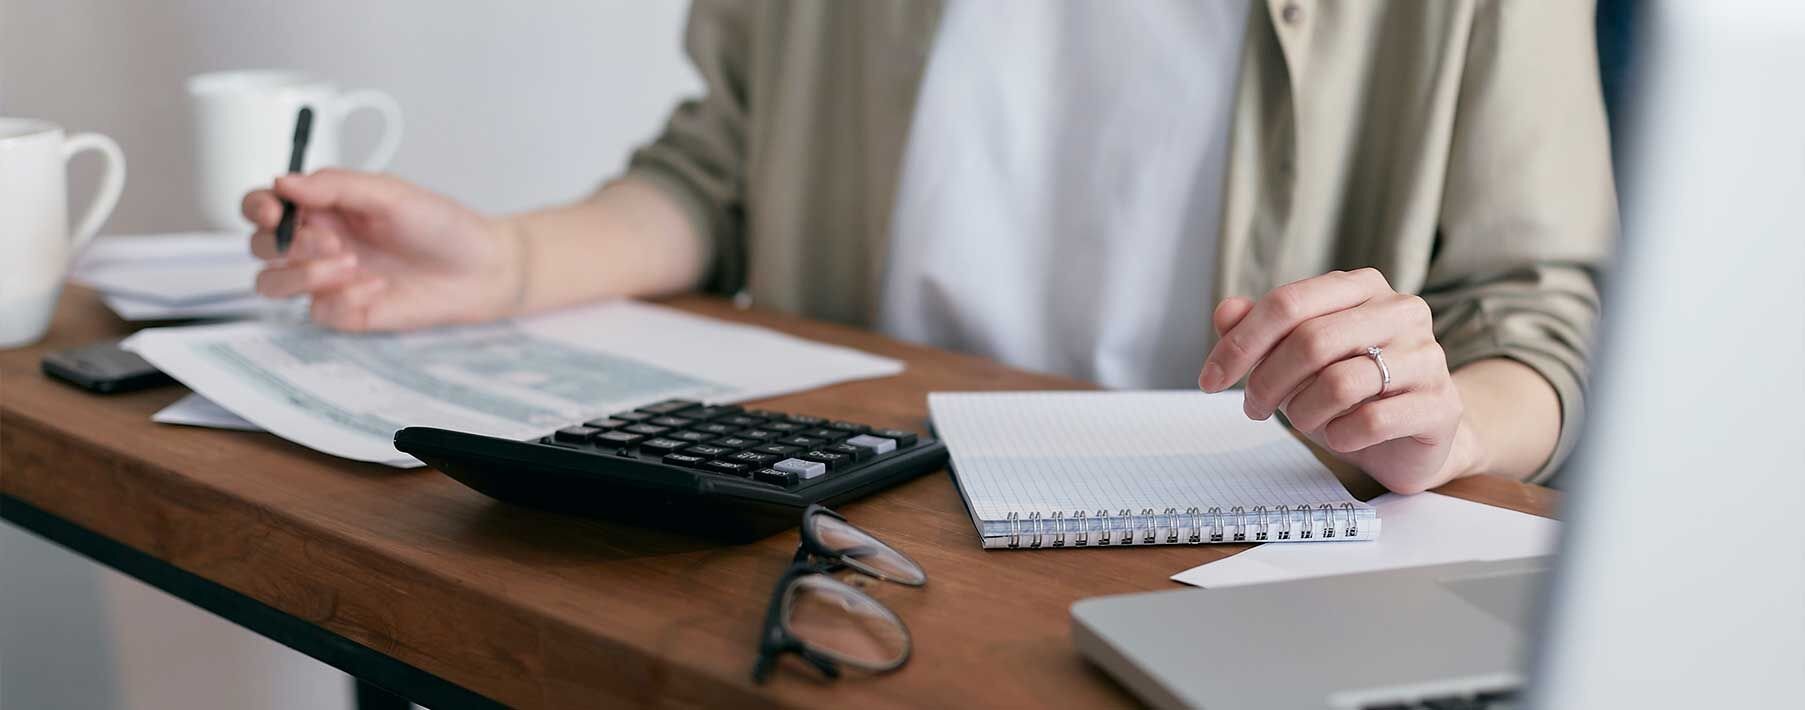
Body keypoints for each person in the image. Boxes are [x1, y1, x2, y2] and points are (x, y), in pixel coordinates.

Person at [240, 1, 1615, 495]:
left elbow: (1538, 320)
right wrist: (503, 258)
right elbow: (721, 176)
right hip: (861, 510)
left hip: (1219, 546)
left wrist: (1438, 424)